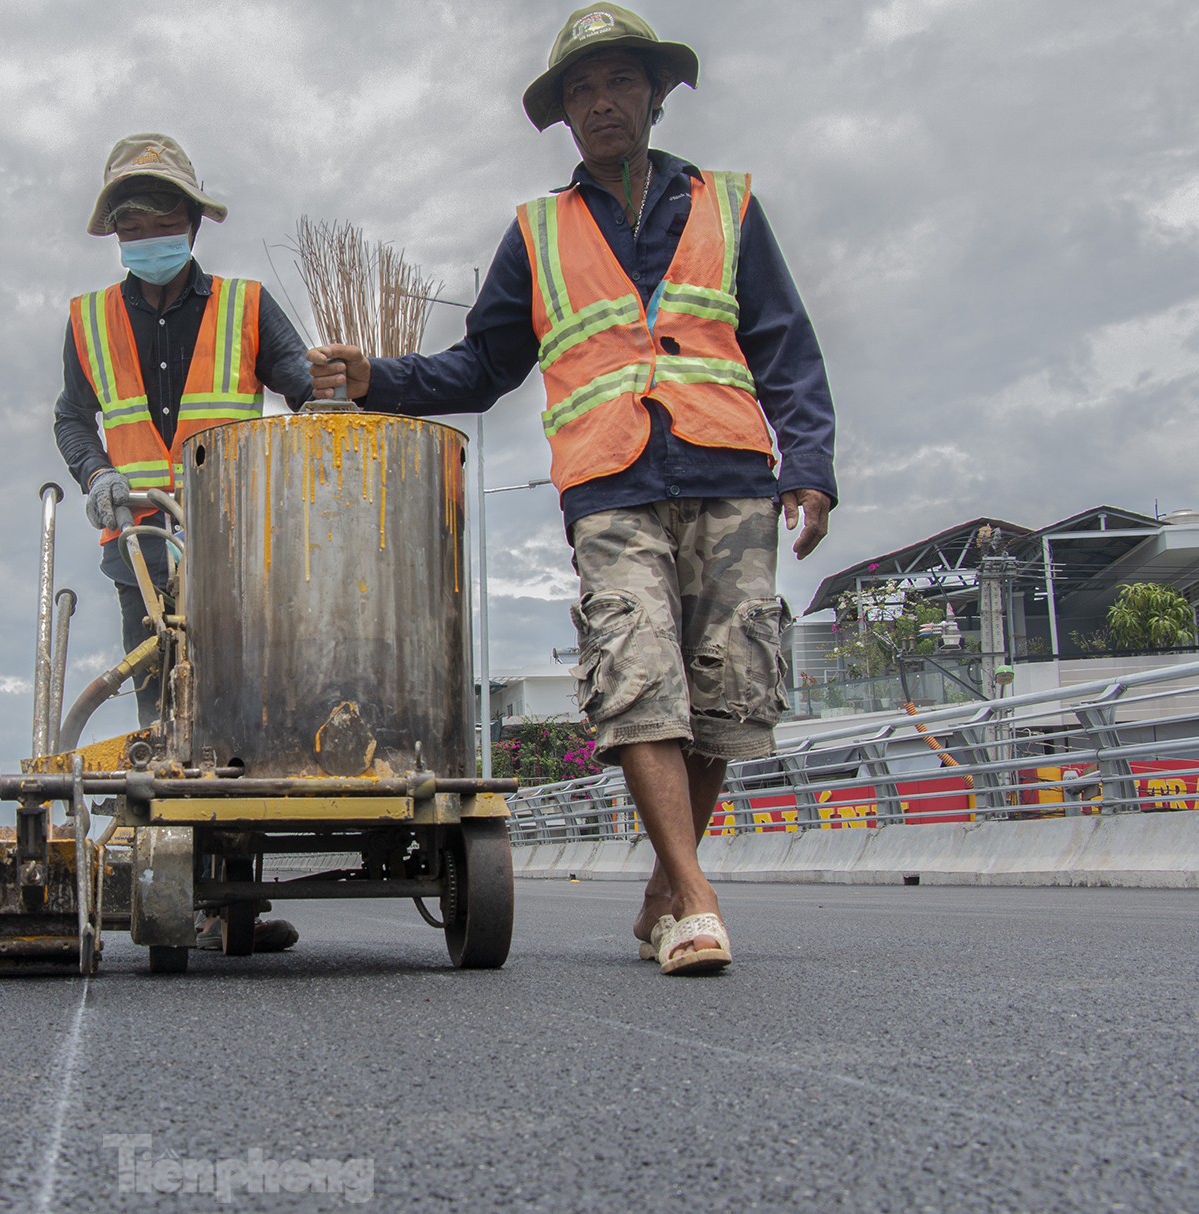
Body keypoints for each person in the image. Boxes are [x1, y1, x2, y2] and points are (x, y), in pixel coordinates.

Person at [309, 6, 837, 975]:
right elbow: (481, 366)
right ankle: (698, 900)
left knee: (726, 695)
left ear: (655, 94)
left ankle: (665, 887)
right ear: (563, 114)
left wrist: (808, 464)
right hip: (611, 486)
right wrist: (376, 377)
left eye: (619, 84)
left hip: (732, 477)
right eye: (583, 92)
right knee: (638, 677)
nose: (602, 104)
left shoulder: (728, 209)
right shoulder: (539, 234)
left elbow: (785, 346)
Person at [53, 133, 311, 952]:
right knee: (162, 715)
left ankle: (232, 910)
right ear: (115, 231)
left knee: (237, 722)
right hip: (139, 548)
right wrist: (94, 472)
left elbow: (302, 383)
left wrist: (332, 412)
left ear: (191, 221)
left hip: (236, 552)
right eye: (128, 215)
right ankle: (182, 887)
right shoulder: (89, 320)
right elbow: (72, 415)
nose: (144, 227)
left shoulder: (246, 306)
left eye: (160, 209)